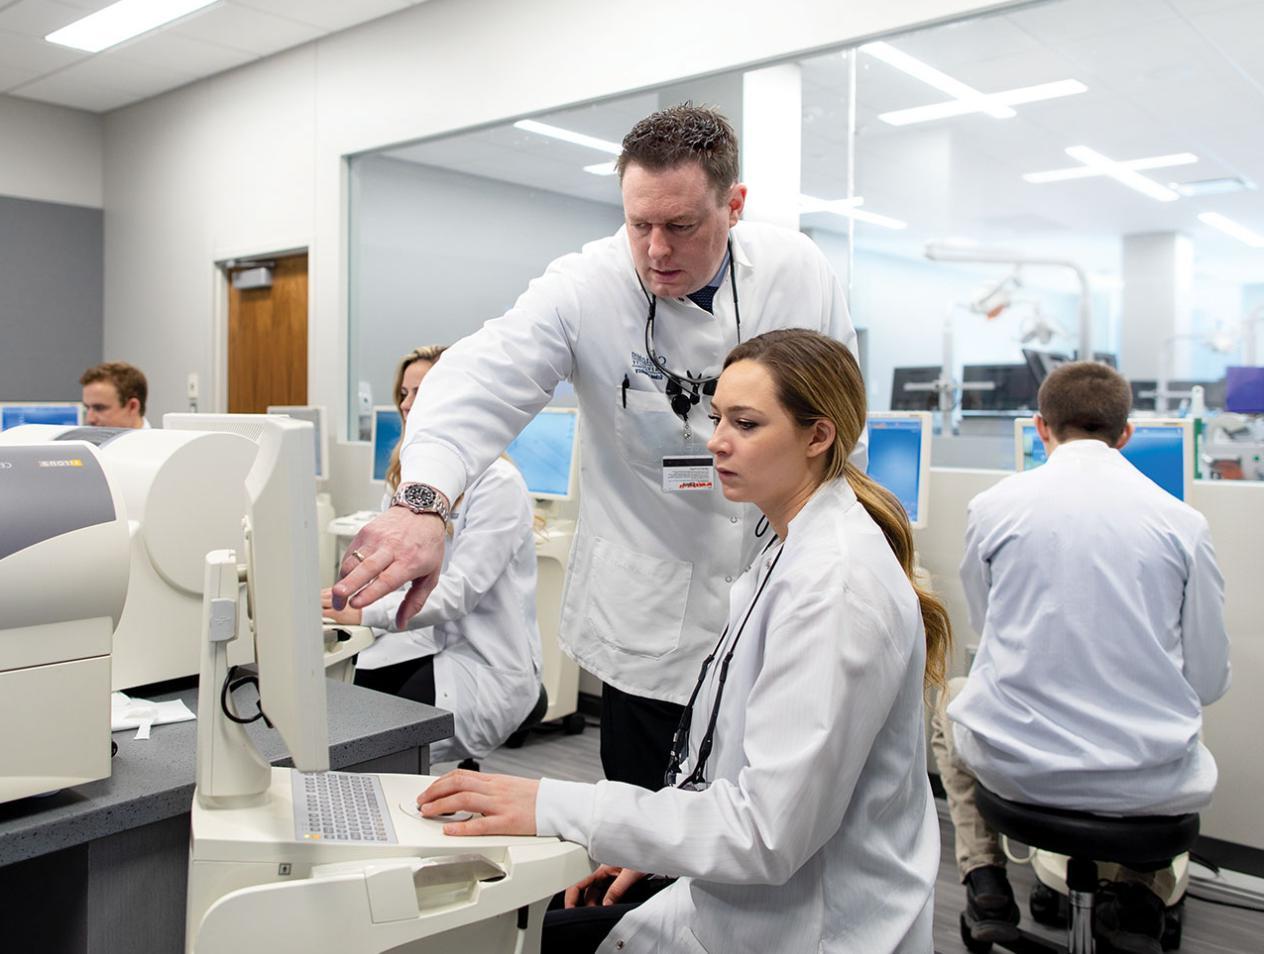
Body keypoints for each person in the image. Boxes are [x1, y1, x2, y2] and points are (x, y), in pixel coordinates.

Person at [332, 104, 860, 790]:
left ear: (734, 205)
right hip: (647, 622)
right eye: (639, 225)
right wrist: (424, 502)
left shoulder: (799, 272)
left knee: (756, 814)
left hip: (776, 597)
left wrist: (849, 559)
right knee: (639, 835)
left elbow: (844, 427)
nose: (656, 251)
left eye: (681, 226)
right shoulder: (586, 286)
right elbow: (477, 378)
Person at [415, 329, 950, 954]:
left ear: (818, 436)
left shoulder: (831, 586)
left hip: (807, 929)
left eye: (746, 424)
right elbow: (736, 772)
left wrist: (559, 807)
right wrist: (648, 842)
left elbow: (765, 834)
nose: (716, 441)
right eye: (718, 416)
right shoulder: (787, 546)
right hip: (734, 902)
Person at [932, 361, 1231, 954]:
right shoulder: (1184, 524)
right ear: (1126, 434)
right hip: (1145, 787)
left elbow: (991, 636)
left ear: (1041, 428)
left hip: (1019, 771)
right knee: (1184, 735)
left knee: (956, 695)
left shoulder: (993, 508)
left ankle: (984, 876)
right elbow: (1207, 680)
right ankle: (1143, 892)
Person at [322, 345, 543, 764]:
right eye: (402, 393)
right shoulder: (407, 483)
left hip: (484, 662)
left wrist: (364, 613)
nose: (405, 406)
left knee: (375, 744)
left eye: (418, 392)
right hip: (423, 639)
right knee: (344, 701)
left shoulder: (498, 484)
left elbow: (458, 592)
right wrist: (347, 599)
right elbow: (387, 569)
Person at [81, 361, 149, 428]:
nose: (90, 419)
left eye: (99, 408)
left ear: (132, 407)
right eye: (87, 408)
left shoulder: (156, 439)